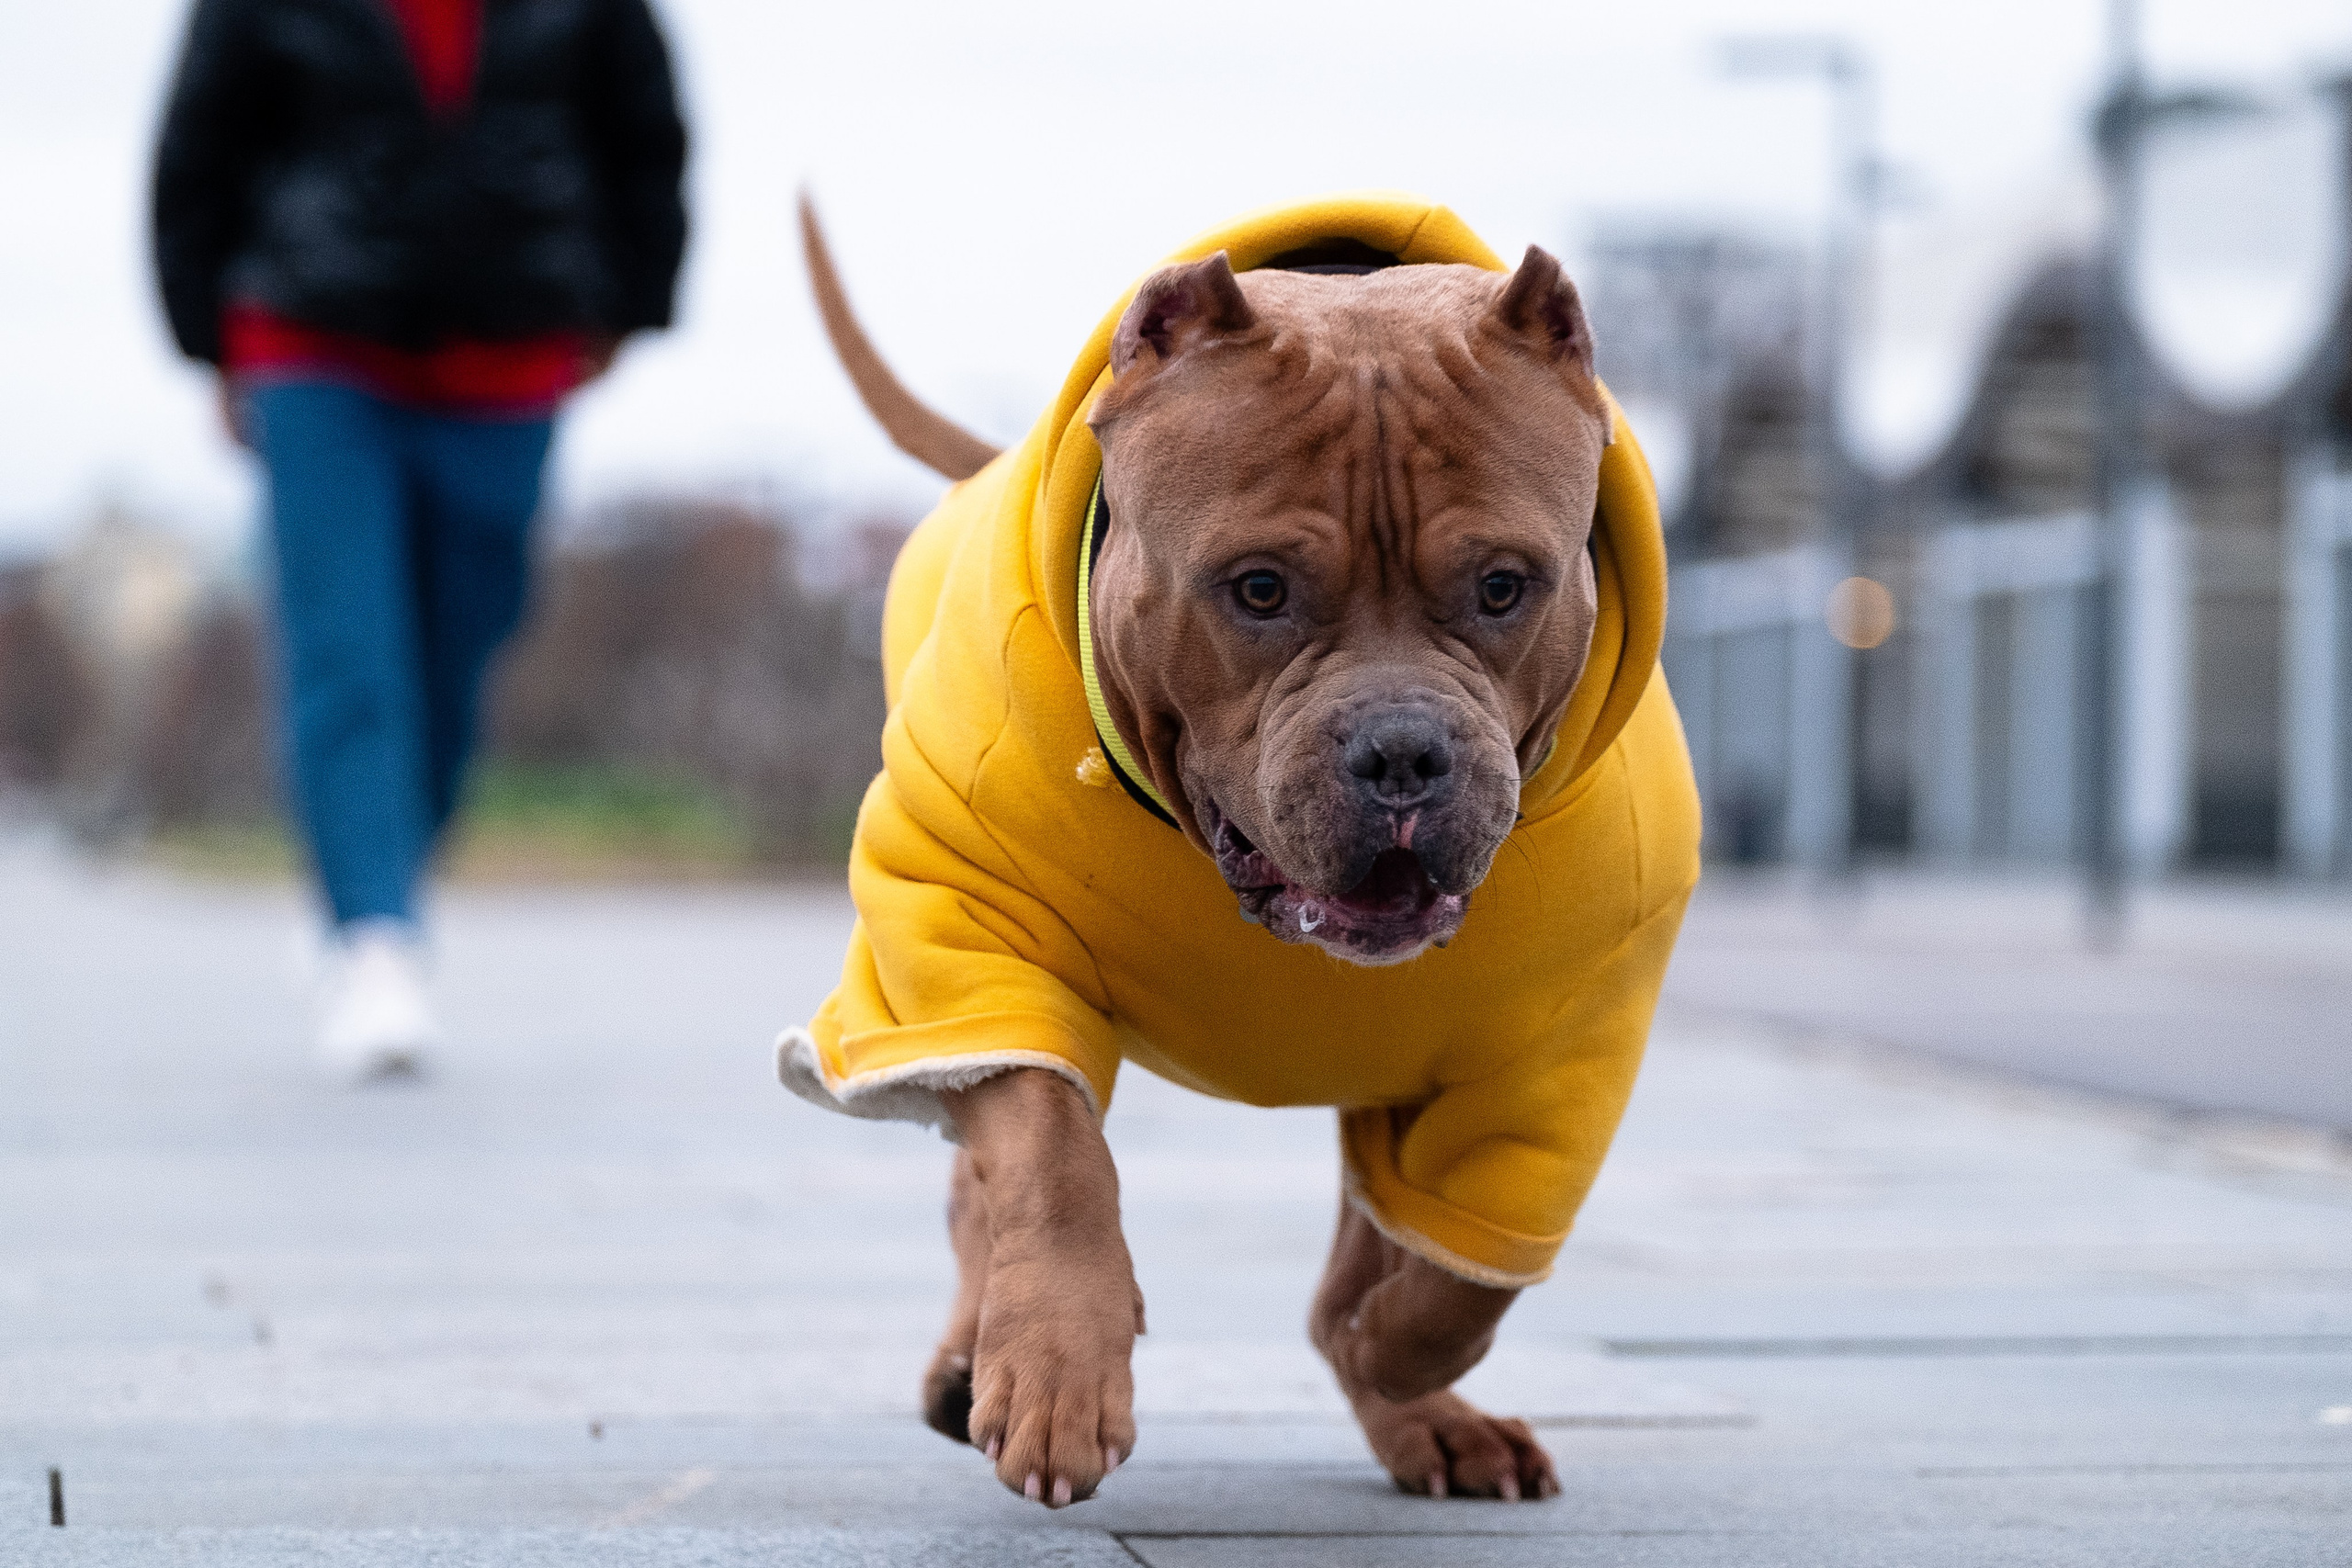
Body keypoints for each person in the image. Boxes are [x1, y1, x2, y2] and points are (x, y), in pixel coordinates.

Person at [151, 0, 688, 1080]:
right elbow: (198, 148)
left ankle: (375, 880)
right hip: (311, 342)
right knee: (347, 644)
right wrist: (206, 343)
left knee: (463, 643)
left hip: (512, 347)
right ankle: (375, 938)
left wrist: (630, 305)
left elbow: (644, 131)